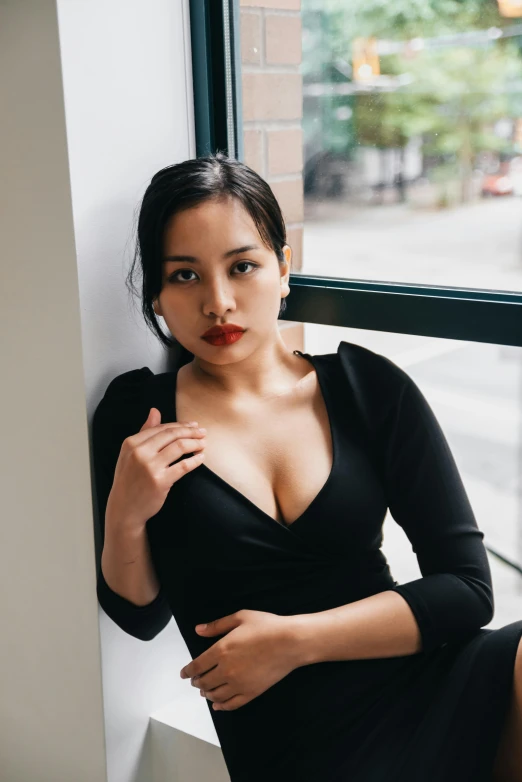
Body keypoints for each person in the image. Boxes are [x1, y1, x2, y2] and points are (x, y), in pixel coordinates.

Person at [92, 152, 522, 782]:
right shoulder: (138, 416)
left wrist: (293, 640)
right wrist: (126, 512)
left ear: (283, 268)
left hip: (431, 678)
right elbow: (138, 614)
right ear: (156, 295)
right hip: (296, 745)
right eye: (185, 276)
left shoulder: (368, 388)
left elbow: (467, 590)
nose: (218, 303)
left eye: (242, 266)